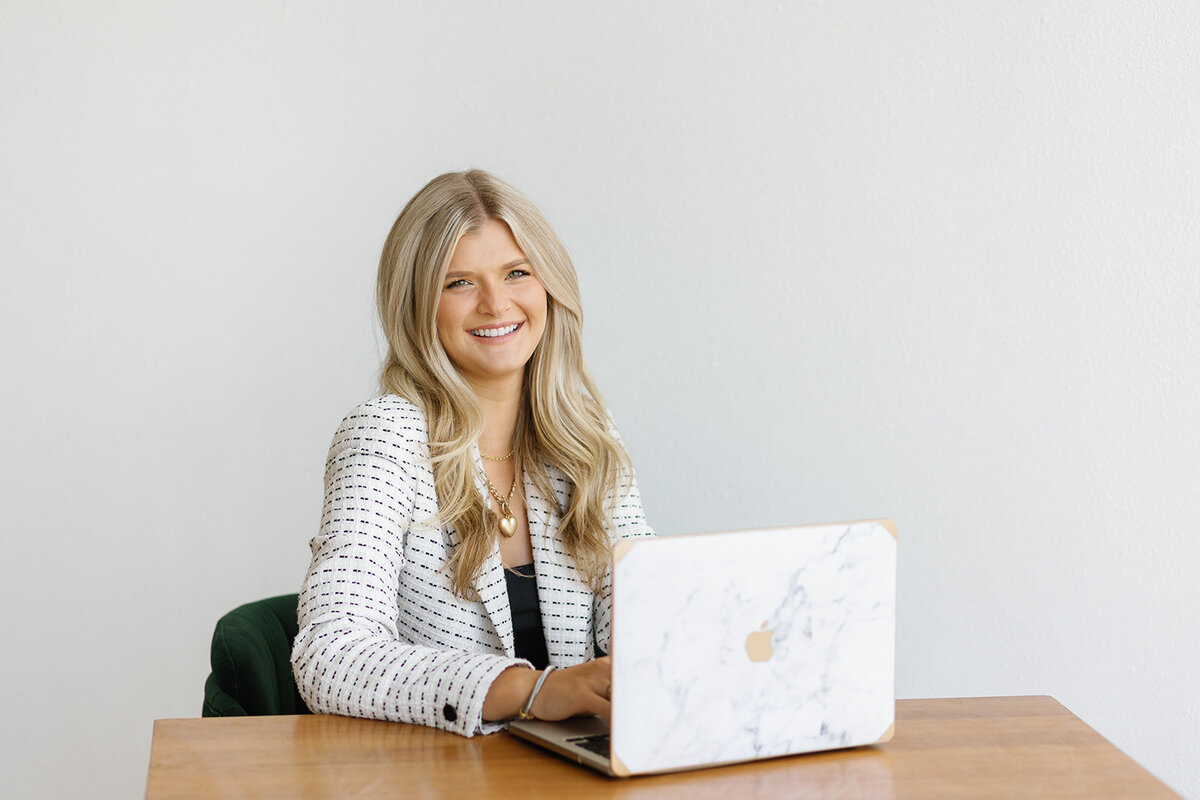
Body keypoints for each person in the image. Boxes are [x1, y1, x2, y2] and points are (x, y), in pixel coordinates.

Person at [291, 169, 654, 737]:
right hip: (444, 769)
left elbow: (643, 611)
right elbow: (330, 657)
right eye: (459, 283)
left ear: (549, 286)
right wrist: (534, 691)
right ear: (416, 306)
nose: (496, 303)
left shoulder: (585, 433)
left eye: (517, 273)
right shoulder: (385, 435)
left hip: (574, 765)